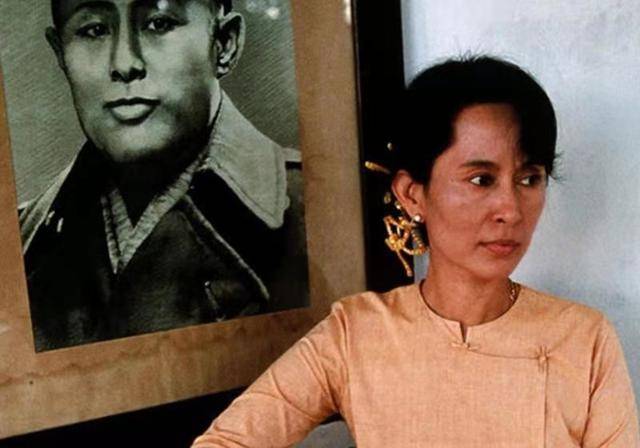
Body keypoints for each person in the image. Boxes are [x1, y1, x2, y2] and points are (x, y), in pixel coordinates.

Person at [191, 56, 639, 447]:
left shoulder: (583, 338)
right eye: (481, 179)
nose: (510, 209)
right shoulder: (357, 334)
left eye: (529, 179)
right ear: (412, 194)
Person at [19, 0, 308, 352]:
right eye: (94, 30)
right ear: (60, 53)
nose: (124, 63)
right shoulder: (20, 249)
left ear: (224, 44)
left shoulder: (313, 216)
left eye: (158, 23)